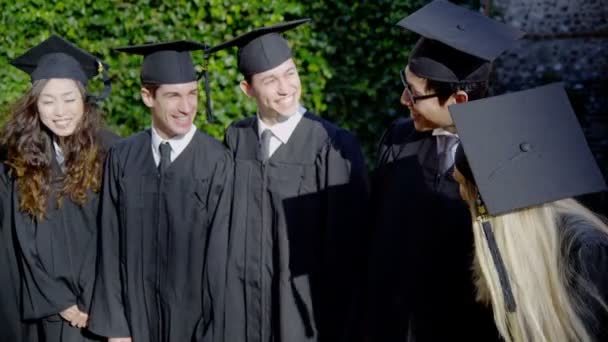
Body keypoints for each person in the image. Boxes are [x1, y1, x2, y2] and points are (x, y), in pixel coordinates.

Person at [366, 1, 524, 340]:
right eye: (405, 84)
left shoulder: (509, 155)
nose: (402, 100)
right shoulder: (398, 138)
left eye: (414, 93)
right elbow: (378, 235)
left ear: (459, 101)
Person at [206, 19, 369, 342]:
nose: (286, 87)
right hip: (243, 312)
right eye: (270, 80)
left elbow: (348, 250)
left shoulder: (332, 144)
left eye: (290, 73)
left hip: (306, 313)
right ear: (248, 89)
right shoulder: (237, 139)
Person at [88, 40, 232, 342]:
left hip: (195, 327)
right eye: (173, 96)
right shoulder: (123, 156)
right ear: (147, 97)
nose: (186, 107)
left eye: (192, 94)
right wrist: (116, 329)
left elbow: (223, 265)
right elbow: (110, 243)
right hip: (133, 323)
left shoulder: (217, 161)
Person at [450, 83, 608, 342]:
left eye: (461, 185)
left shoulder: (586, 251)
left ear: (483, 198)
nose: (460, 195)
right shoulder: (522, 249)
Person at [1, 34, 117, 342]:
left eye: (69, 99)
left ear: (84, 100)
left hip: (105, 308)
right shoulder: (22, 161)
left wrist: (100, 301)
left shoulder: (113, 154)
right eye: (48, 101)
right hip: (50, 309)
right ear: (35, 106)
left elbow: (121, 234)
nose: (60, 111)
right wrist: (62, 303)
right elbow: (22, 238)